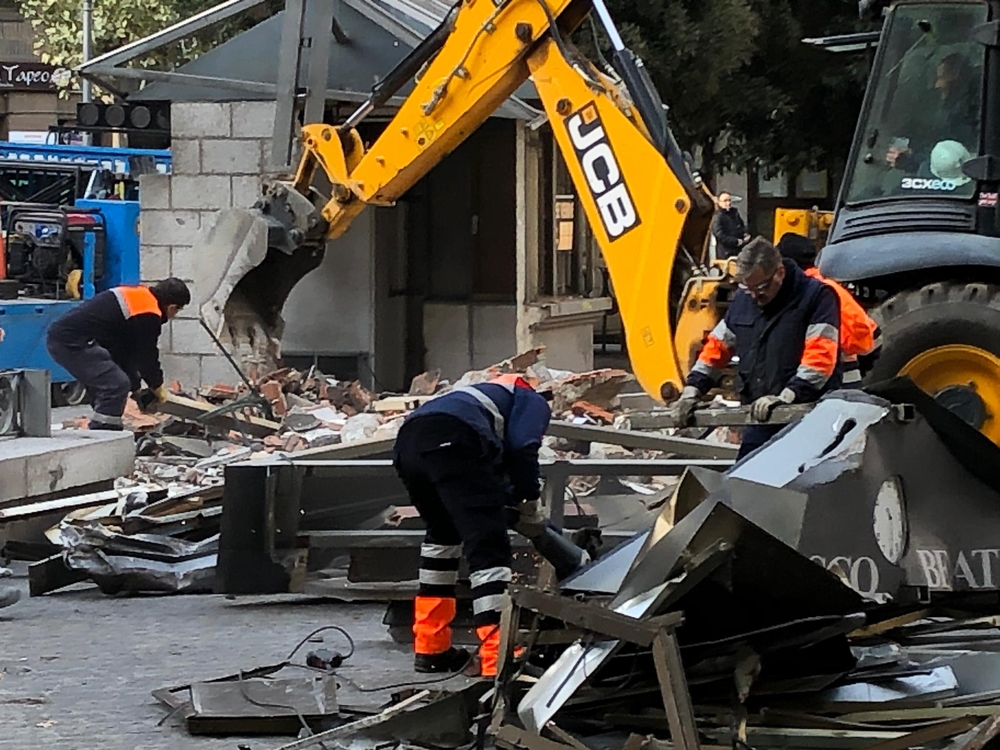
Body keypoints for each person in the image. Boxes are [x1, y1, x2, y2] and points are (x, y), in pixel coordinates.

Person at [393, 373, 551, 677]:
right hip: (453, 442)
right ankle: (499, 657)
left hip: (409, 444)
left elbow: (491, 465)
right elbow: (522, 448)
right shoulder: (531, 400)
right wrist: (528, 498)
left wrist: (506, 494)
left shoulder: (475, 396)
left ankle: (432, 648)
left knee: (442, 537)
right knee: (488, 547)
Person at [673, 238, 841, 459]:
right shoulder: (745, 300)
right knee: (747, 481)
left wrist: (787, 397)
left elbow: (819, 360)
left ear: (779, 272)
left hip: (808, 417)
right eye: (747, 288)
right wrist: (691, 391)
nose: (754, 296)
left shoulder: (817, 297)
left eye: (760, 288)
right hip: (761, 416)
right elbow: (717, 348)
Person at [45, 279, 191, 430]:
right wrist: (157, 387)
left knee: (109, 382)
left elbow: (123, 352)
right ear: (171, 307)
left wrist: (136, 389)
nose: (173, 315)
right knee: (115, 385)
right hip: (71, 342)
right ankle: (104, 432)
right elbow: (147, 356)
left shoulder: (139, 297)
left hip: (68, 339)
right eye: (177, 311)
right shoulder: (148, 312)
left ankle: (102, 427)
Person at [777, 232, 882, 385]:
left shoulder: (805, 294)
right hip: (849, 379)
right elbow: (874, 337)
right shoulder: (831, 287)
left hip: (829, 383)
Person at [887, 53, 979, 173]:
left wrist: (911, 161)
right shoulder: (942, 110)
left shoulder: (969, 118)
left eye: (942, 78)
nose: (937, 85)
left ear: (959, 80)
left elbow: (955, 162)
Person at [712, 192, 749, 257]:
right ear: (719, 202)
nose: (728, 203)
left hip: (739, 251)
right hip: (726, 252)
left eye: (729, 200)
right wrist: (735, 241)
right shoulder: (718, 216)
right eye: (725, 201)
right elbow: (720, 235)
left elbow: (741, 226)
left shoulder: (734, 213)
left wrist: (745, 234)